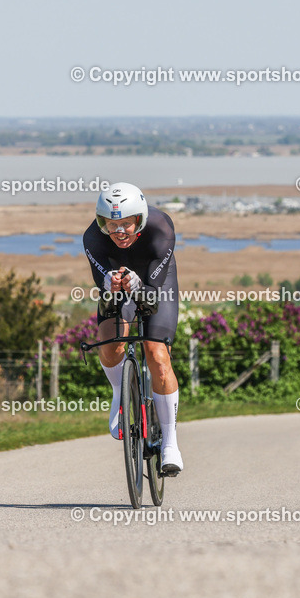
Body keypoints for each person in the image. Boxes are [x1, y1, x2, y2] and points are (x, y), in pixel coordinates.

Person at [82, 182, 183, 474]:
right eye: (112, 225)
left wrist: (139, 286)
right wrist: (108, 284)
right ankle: (119, 392)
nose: (119, 232)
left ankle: (170, 444)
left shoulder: (161, 228)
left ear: (139, 219)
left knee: (158, 357)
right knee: (110, 343)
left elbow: (152, 297)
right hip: (118, 284)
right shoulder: (92, 238)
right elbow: (104, 295)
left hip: (155, 284)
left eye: (126, 223)